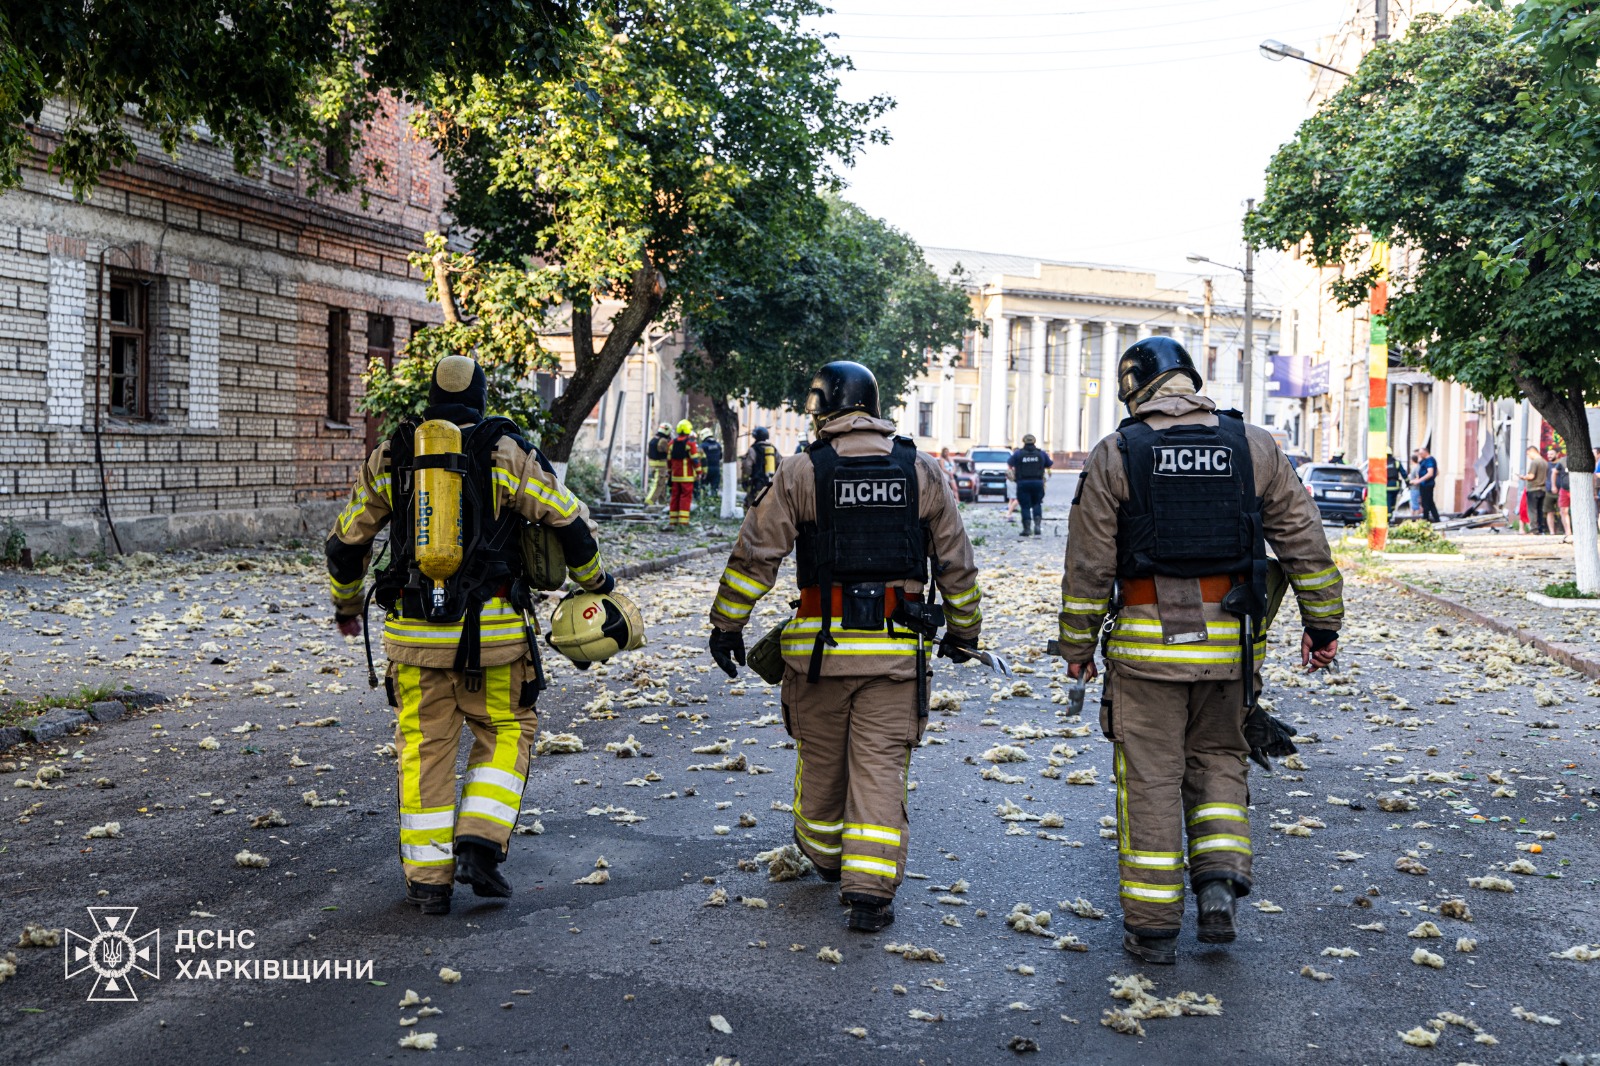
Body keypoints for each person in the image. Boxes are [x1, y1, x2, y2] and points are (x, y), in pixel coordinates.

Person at [1056, 337, 1342, 965]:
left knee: (1152, 780)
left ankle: (1154, 928)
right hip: (1231, 652)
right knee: (1218, 762)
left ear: (1135, 392)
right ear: (1190, 381)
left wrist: (1077, 645)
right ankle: (1217, 888)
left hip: (1146, 656)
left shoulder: (1116, 453)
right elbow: (1304, 541)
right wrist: (1322, 626)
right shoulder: (1254, 445)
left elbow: (1089, 565)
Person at [326, 355, 624, 915]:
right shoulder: (507, 451)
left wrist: (346, 604)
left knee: (424, 748)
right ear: (481, 400)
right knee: (507, 728)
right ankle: (480, 844)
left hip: (414, 640)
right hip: (494, 638)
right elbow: (570, 525)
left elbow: (345, 546)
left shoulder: (392, 455)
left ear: (431, 399)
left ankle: (427, 883)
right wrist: (597, 583)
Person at [706, 361, 982, 933]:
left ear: (823, 412)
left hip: (819, 657)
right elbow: (956, 561)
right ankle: (869, 896)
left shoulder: (802, 471)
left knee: (822, 765)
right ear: (873, 409)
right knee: (880, 767)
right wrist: (964, 632)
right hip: (894, 654)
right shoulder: (921, 469)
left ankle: (827, 858)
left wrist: (727, 626)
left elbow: (756, 555)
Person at [1008, 434, 1054, 536]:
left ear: (1024, 441)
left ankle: (1027, 529)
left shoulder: (1018, 454)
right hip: (1038, 482)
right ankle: (1037, 526)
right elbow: (1049, 464)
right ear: (1034, 442)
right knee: (1037, 504)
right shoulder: (1041, 453)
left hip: (1023, 483)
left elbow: (1009, 464)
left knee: (1025, 506)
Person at [667, 419, 700, 528]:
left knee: (674, 497)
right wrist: (699, 472)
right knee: (685, 498)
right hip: (687, 477)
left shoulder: (671, 444)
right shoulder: (690, 444)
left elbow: (669, 461)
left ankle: (673, 521)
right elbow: (695, 460)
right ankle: (683, 522)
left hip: (675, 476)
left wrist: (669, 472)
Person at [745, 426, 780, 498]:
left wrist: (745, 480)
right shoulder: (773, 449)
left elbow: (747, 466)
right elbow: (780, 464)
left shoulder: (753, 449)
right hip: (771, 485)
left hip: (757, 484)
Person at [1521, 446, 1549, 534]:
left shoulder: (1535, 462)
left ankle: (1534, 530)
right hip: (1543, 489)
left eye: (1528, 454)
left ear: (1532, 451)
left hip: (1533, 489)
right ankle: (1541, 529)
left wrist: (1524, 477)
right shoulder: (1545, 462)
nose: (1528, 456)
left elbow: (1531, 476)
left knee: (1532, 510)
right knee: (1540, 510)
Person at [1412, 446, 1440, 523]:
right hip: (1425, 483)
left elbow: (1430, 473)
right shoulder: (1425, 460)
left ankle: (1426, 519)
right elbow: (1436, 472)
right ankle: (1436, 518)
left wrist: (1419, 480)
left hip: (1426, 484)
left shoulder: (1429, 460)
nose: (1420, 455)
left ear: (1425, 452)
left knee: (1426, 503)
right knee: (1430, 502)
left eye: (1421, 453)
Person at [645, 423, 671, 506]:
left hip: (653, 465)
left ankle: (662, 502)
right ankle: (648, 502)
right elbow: (668, 452)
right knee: (658, 485)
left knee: (662, 484)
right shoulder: (663, 441)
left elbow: (648, 453)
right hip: (660, 466)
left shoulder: (653, 439)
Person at [1547, 448, 1569, 537]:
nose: (1549, 456)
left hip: (1569, 490)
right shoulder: (1562, 461)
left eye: (1551, 454)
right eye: (1548, 454)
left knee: (1564, 511)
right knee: (1558, 511)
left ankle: (1564, 530)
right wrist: (1553, 486)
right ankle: (1558, 532)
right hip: (1559, 490)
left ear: (1557, 454)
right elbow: (1554, 473)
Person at [700, 429, 724, 498]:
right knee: (714, 488)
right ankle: (714, 500)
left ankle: (704, 500)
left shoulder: (702, 446)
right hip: (716, 469)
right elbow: (720, 457)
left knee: (703, 488)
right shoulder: (718, 445)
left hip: (706, 470)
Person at [1385, 452, 1404, 520]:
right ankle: (1391, 513)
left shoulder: (1382, 463)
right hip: (1395, 485)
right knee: (1393, 500)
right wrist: (1408, 483)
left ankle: (1388, 517)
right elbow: (1403, 473)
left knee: (1388, 501)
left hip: (1387, 485)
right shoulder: (1396, 462)